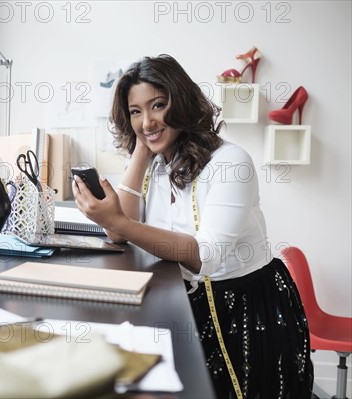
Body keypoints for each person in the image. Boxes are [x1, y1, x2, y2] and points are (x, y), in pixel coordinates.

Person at [72, 54, 313, 398]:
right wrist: (141, 149)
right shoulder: (157, 163)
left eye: (157, 105)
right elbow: (117, 231)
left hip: (247, 308)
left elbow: (204, 257)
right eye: (135, 111)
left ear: (181, 102)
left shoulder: (230, 163)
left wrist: (119, 221)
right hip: (190, 304)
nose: (147, 120)